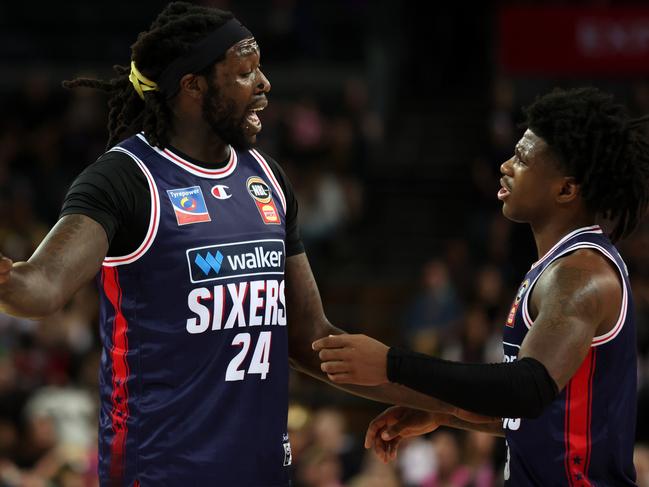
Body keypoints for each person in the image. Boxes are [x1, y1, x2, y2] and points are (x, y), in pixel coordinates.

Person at [0, 3, 482, 486]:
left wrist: (444, 406)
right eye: (246, 72)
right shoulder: (125, 178)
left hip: (264, 471)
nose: (265, 84)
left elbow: (312, 338)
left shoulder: (266, 177)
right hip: (163, 473)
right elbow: (39, 287)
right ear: (193, 86)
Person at [314, 87, 649, 485]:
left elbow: (527, 389)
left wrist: (392, 363)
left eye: (523, 159)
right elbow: (542, 416)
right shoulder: (560, 264)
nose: (506, 165)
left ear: (566, 189)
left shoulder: (580, 275)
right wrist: (447, 412)